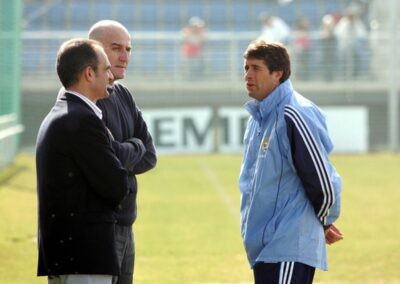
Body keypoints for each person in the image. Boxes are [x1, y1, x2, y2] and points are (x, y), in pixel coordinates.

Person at [239, 40, 343, 284]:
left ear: (278, 74)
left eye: (255, 68)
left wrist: (325, 220)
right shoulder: (258, 118)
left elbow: (323, 179)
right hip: (265, 246)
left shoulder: (293, 114)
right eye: (245, 68)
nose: (247, 75)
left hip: (287, 245)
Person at [36, 38, 130, 284]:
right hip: (84, 256)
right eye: (106, 69)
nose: (111, 76)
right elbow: (117, 186)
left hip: (66, 255)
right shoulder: (82, 120)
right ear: (89, 73)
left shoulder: (60, 113)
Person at [89, 20, 157, 284]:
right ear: (95, 50)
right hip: (101, 227)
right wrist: (135, 147)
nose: (124, 56)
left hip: (126, 224)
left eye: (129, 49)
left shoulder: (124, 95)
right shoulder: (87, 98)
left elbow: (150, 155)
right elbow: (108, 157)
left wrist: (128, 149)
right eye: (116, 48)